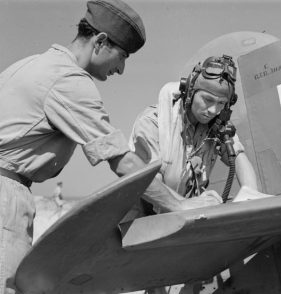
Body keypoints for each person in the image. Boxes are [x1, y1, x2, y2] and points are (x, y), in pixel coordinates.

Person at [0, 1, 220, 293]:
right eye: (122, 56)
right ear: (101, 42)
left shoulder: (32, 64)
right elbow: (123, 162)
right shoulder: (69, 82)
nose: (121, 69)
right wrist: (179, 205)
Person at [129, 55, 258, 214]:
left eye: (221, 103)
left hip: (183, 218)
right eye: (207, 99)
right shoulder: (153, 123)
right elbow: (151, 185)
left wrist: (251, 196)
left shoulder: (216, 126)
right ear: (190, 92)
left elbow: (237, 156)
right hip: (142, 222)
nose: (213, 110)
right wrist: (188, 204)